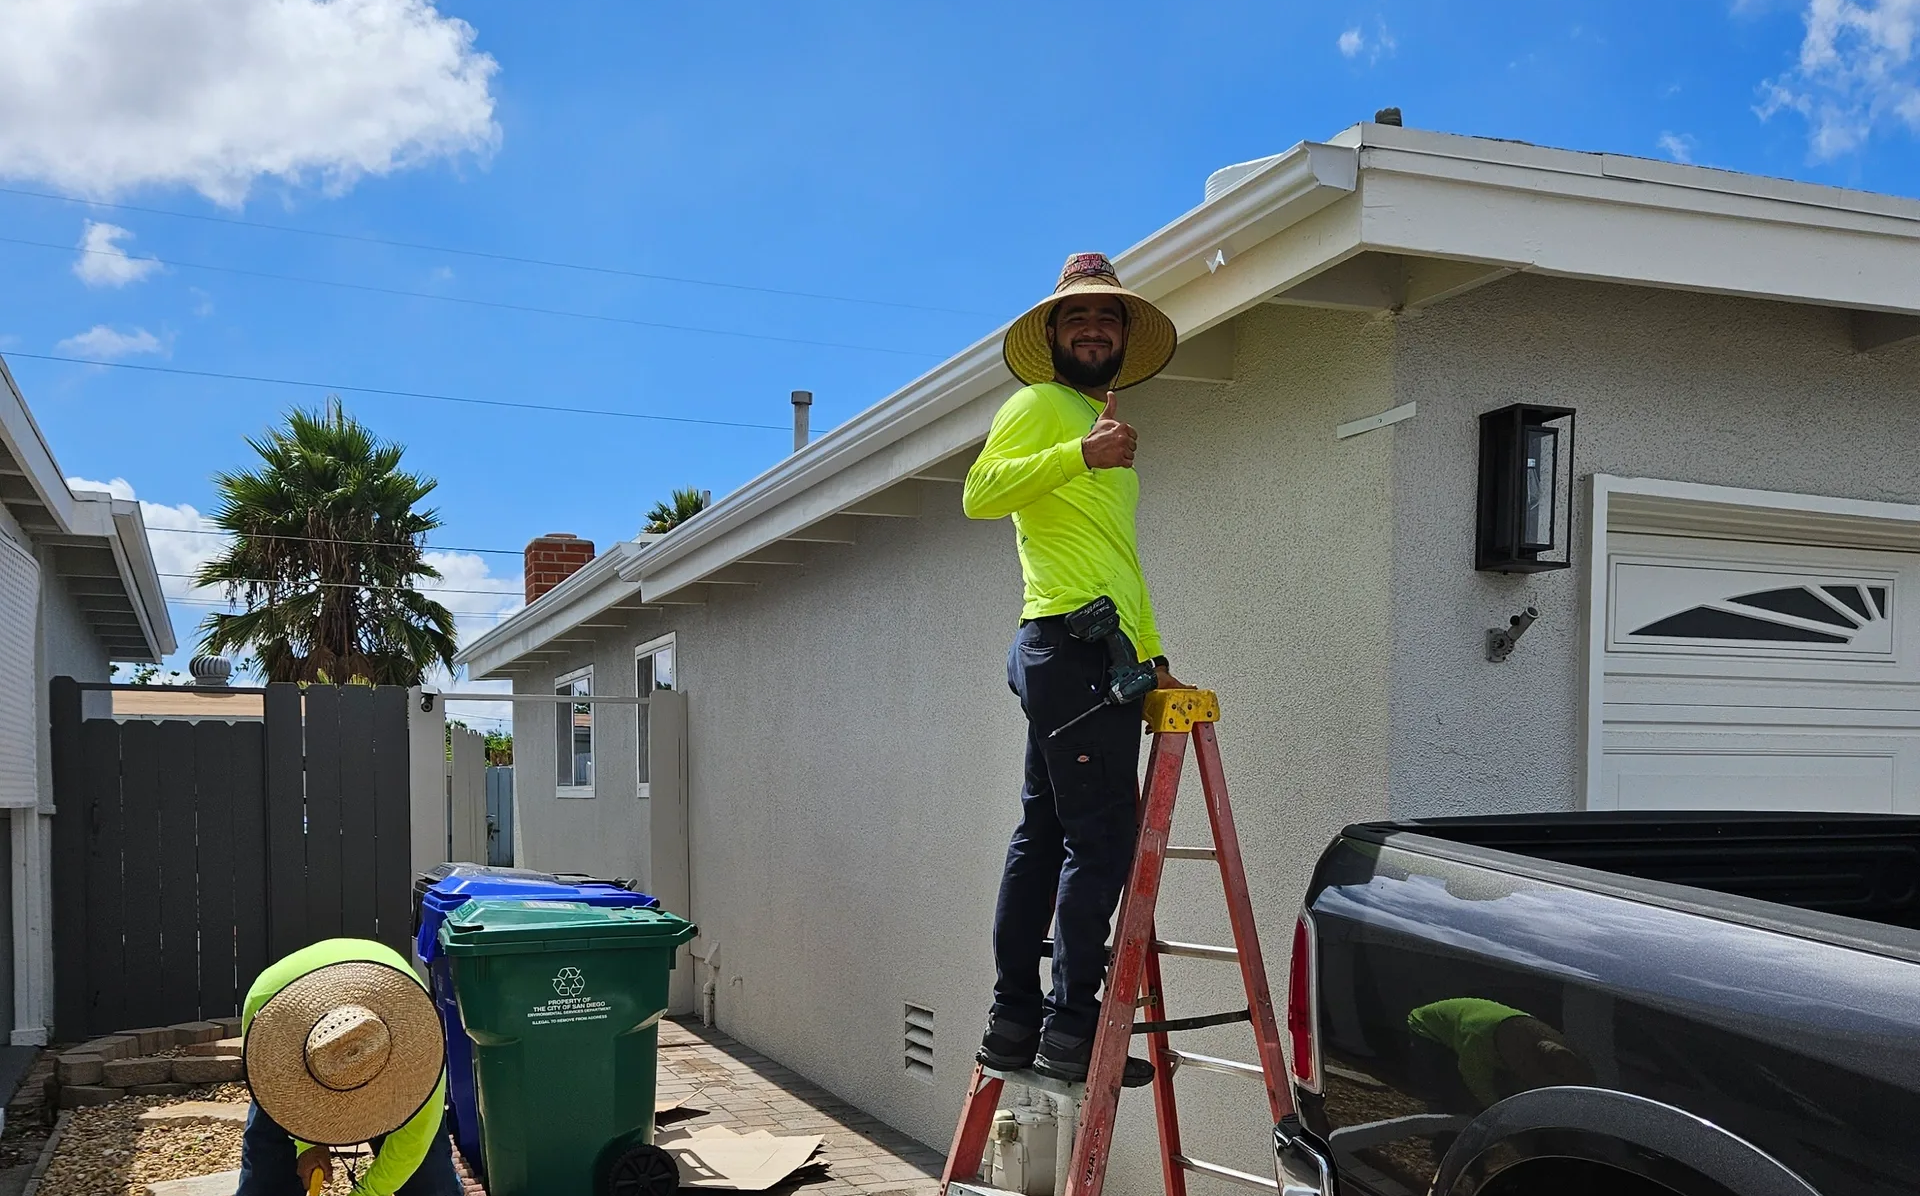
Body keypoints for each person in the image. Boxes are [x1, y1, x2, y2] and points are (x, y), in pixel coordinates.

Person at [963, 252, 1187, 1085]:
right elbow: (979, 493)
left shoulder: (1096, 422)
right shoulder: (1037, 405)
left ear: (1122, 337)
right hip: (1070, 646)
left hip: (1095, 650)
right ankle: (1072, 1029)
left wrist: (1155, 652)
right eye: (1077, 317)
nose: (1093, 329)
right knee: (1102, 843)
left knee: (1046, 835)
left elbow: (1120, 561)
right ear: (1052, 334)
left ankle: (1016, 1027)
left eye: (1107, 318)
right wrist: (1078, 458)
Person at [237, 938, 461, 1196]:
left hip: (387, 999)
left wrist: (365, 1193)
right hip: (280, 1008)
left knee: (431, 1184)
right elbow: (276, 1091)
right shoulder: (265, 1012)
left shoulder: (420, 1045)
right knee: (264, 1182)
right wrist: (306, 1144)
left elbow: (412, 1144)